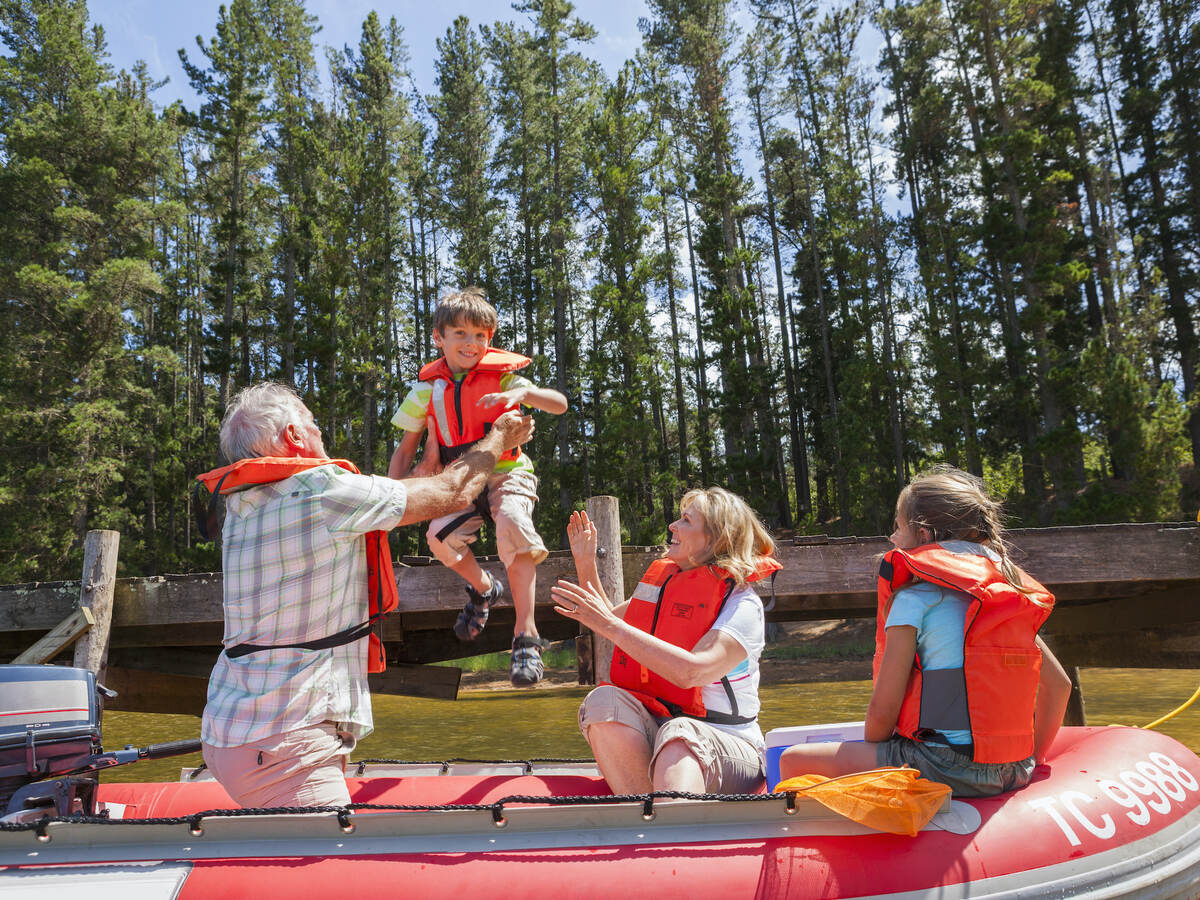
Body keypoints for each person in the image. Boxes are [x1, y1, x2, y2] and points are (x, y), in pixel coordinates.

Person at [197, 382, 534, 809]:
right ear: (294, 437)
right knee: (322, 867)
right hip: (284, 745)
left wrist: (430, 449)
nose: (320, 433)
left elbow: (405, 488)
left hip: (229, 729)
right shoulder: (321, 491)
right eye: (313, 424)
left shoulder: (239, 506)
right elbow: (454, 493)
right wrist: (501, 437)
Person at [779, 466, 1073, 797]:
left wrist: (879, 764)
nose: (892, 539)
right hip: (1015, 769)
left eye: (898, 528)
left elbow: (883, 709)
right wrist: (1032, 759)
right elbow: (1060, 686)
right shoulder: (1005, 600)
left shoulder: (914, 600)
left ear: (923, 535)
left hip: (944, 765)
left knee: (793, 761)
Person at [387, 287, 567, 686]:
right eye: (461, 335)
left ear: (491, 338)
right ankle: (485, 589)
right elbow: (404, 453)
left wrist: (525, 392)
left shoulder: (503, 377)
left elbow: (559, 404)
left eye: (481, 336)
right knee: (437, 536)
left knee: (513, 524)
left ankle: (526, 635)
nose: (472, 344)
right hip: (462, 480)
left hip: (508, 473)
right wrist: (391, 495)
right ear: (439, 337)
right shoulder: (424, 392)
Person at [551, 487, 780, 794]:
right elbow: (608, 619)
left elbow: (692, 673)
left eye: (686, 520)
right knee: (603, 702)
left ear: (716, 539)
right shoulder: (665, 586)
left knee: (679, 734)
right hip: (665, 731)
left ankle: (666, 823)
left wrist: (608, 624)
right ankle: (644, 810)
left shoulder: (742, 605)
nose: (673, 526)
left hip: (730, 746)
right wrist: (584, 560)